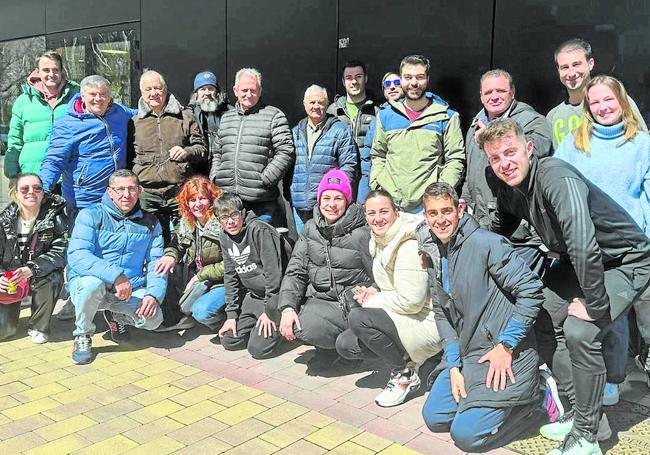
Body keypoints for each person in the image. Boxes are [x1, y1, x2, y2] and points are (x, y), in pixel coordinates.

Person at [479, 118, 650, 454]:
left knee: (580, 331)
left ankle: (587, 438)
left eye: (510, 152)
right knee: (543, 313)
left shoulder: (555, 176)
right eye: (495, 158)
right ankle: (587, 416)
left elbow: (583, 244)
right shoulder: (510, 187)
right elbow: (501, 225)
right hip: (578, 262)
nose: (504, 163)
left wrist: (596, 306)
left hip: (623, 261)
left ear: (529, 149)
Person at [418, 182, 545, 452]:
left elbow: (531, 292)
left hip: (502, 353)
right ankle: (479, 403)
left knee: (466, 437)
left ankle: (534, 401)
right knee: (434, 417)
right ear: (425, 216)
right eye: (433, 213)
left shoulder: (487, 244)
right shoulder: (434, 253)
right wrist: (453, 365)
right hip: (467, 354)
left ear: (459, 209)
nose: (440, 220)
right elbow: (443, 313)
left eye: (446, 211)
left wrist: (507, 344)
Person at [554, 75, 650, 404]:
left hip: (633, 250)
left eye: (608, 100)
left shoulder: (642, 144)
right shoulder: (572, 143)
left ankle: (629, 372)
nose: (602, 107)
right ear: (587, 107)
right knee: (602, 317)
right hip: (588, 247)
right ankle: (605, 379)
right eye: (595, 102)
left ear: (622, 102)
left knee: (634, 317)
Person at [335, 189, 441, 407]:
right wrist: (375, 292)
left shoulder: (407, 244)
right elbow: (393, 287)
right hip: (404, 314)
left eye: (384, 211)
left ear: (396, 212)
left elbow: (412, 301)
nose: (378, 218)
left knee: (359, 318)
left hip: (426, 321)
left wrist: (375, 300)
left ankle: (404, 374)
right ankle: (410, 362)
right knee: (347, 343)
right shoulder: (380, 239)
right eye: (371, 213)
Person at [275, 169, 373, 372]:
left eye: (338, 198)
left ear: (347, 200)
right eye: (326, 197)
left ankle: (350, 352)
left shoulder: (361, 233)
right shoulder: (311, 228)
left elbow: (379, 275)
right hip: (321, 299)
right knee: (278, 307)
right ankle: (326, 349)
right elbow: (296, 271)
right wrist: (288, 308)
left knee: (320, 332)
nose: (331, 204)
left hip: (353, 306)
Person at [67, 170, 165, 365]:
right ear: (109, 192)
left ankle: (117, 317)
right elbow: (77, 255)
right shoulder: (91, 215)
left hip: (129, 291)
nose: (126, 195)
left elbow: (156, 263)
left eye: (131, 189)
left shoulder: (151, 223)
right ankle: (82, 335)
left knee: (154, 319)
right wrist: (117, 276)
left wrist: (153, 294)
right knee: (91, 285)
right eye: (119, 189)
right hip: (92, 286)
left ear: (139, 191)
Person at [370, 54, 465, 213]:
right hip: (391, 205)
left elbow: (455, 158)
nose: (414, 83)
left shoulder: (446, 117)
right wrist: (378, 185)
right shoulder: (385, 116)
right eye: (408, 77)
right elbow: (378, 155)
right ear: (401, 79)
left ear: (427, 79)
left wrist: (440, 193)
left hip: (429, 207)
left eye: (420, 77)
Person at [461, 69, 553, 230]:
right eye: (488, 92)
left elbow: (537, 148)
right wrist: (464, 202)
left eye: (501, 91)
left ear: (512, 93)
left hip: (519, 229)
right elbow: (471, 174)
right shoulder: (475, 127)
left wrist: (493, 138)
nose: (494, 96)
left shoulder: (532, 120)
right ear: (481, 96)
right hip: (481, 224)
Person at [129, 70, 208, 245]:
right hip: (147, 194)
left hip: (179, 190)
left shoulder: (185, 116)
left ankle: (185, 272)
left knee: (188, 241)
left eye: (157, 88)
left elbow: (202, 149)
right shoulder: (134, 121)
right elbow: (128, 157)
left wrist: (187, 152)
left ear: (165, 89)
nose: (153, 93)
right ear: (141, 92)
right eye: (148, 89)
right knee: (151, 242)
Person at [40, 75, 135, 219]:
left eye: (103, 94)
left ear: (109, 98)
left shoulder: (119, 112)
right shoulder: (68, 124)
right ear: (82, 96)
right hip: (83, 200)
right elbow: (54, 160)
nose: (98, 98)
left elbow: (145, 113)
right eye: (93, 94)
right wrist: (42, 189)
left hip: (116, 199)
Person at [209, 68, 295, 226]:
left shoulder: (274, 116)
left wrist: (265, 179)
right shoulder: (227, 118)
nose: (248, 94)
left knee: (260, 246)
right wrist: (215, 176)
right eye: (244, 90)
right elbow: (217, 152)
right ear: (236, 90)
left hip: (260, 203)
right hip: (229, 201)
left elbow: (286, 151)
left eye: (253, 90)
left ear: (260, 91)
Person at [216, 192, 290, 359]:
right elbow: (230, 277)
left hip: (276, 297)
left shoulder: (259, 230)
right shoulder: (224, 236)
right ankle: (259, 327)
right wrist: (231, 315)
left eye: (234, 214)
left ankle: (287, 329)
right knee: (229, 340)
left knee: (258, 350)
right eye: (224, 217)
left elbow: (274, 273)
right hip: (254, 297)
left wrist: (269, 310)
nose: (230, 221)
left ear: (243, 212)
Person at [0, 174, 68, 343]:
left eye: (37, 188)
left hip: (40, 273)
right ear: (16, 192)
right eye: (25, 188)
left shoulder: (56, 216)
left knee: (53, 278)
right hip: (11, 278)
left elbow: (62, 250)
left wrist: (32, 268)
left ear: (43, 193)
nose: (31, 192)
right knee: (5, 333)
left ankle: (38, 326)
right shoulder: (4, 219)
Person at [154, 176, 225, 331]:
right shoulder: (188, 221)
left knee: (202, 312)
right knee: (163, 269)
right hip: (199, 275)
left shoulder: (222, 223)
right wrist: (170, 256)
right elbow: (177, 244)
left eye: (202, 199)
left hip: (223, 281)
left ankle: (227, 321)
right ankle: (172, 319)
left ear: (212, 199)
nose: (197, 204)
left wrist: (201, 275)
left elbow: (232, 262)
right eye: (192, 200)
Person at [547, 38, 647, 149]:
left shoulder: (616, 102)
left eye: (576, 65)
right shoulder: (553, 116)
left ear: (590, 64)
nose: (571, 73)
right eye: (565, 67)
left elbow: (643, 145)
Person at [290, 85, 357, 232]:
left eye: (320, 103)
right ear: (304, 104)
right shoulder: (295, 132)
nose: (316, 106)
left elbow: (349, 166)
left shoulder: (340, 131)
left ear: (327, 105)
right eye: (312, 102)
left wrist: (335, 196)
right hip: (299, 205)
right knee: (304, 247)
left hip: (327, 207)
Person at [5, 51, 79, 180]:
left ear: (62, 71)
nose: (51, 74)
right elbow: (15, 140)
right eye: (46, 70)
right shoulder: (23, 102)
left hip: (69, 174)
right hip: (33, 175)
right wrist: (12, 172)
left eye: (55, 70)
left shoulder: (77, 97)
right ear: (37, 72)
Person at [357, 72, 404, 204]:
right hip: (384, 188)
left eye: (397, 83)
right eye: (387, 84)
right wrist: (364, 196)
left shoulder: (416, 114)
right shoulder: (379, 117)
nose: (392, 87)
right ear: (384, 91)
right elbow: (367, 159)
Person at [187, 71, 230, 152]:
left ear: (217, 92)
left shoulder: (229, 113)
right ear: (196, 94)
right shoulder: (189, 114)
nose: (207, 93)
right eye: (202, 89)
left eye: (210, 89)